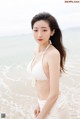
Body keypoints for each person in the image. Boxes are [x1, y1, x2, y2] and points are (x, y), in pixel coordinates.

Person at [27, 12, 70, 119]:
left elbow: (54, 93)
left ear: (52, 32)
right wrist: (39, 104)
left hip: (55, 107)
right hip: (44, 105)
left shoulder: (53, 54)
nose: (39, 34)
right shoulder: (37, 50)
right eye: (36, 30)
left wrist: (41, 116)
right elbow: (40, 83)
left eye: (44, 30)